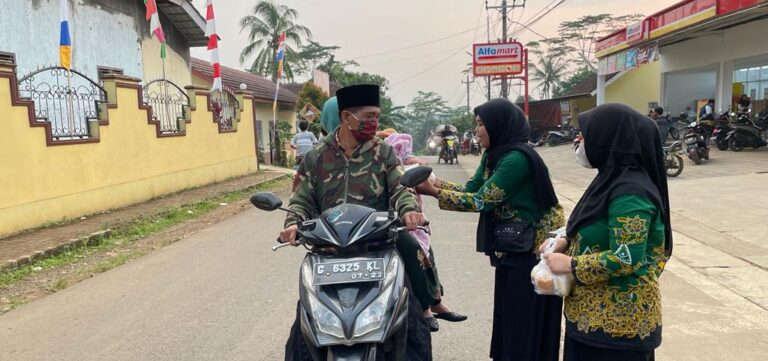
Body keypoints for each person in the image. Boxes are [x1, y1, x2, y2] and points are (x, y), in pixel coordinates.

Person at [279, 84, 432, 360]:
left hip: (377, 242)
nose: (375, 123)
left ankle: (430, 305)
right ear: (346, 117)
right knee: (303, 326)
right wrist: (293, 223)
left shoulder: (383, 153)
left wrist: (409, 210)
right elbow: (302, 199)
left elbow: (400, 188)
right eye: (369, 116)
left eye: (377, 116)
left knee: (413, 260)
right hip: (329, 247)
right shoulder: (316, 157)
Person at [416, 98, 565, 361]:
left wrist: (432, 192)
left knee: (523, 325)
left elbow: (481, 201)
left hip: (531, 253)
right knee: (510, 321)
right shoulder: (493, 156)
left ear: (499, 125)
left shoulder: (516, 160)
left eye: (481, 124)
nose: (477, 131)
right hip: (511, 250)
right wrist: (434, 180)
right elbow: (472, 189)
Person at [543, 103, 672, 361]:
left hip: (619, 329)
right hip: (590, 320)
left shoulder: (631, 194)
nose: (580, 143)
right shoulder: (609, 180)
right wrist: (565, 240)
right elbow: (592, 224)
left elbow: (626, 257)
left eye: (586, 136)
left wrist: (571, 264)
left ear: (608, 140)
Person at [385, 131, 468, 332]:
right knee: (414, 249)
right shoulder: (328, 158)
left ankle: (435, 302)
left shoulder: (402, 165)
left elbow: (429, 185)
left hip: (411, 221)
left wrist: (470, 193)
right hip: (381, 223)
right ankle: (424, 307)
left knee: (426, 252)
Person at [289, 121, 319, 192]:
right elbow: (316, 142)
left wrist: (297, 148)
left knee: (299, 171)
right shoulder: (310, 134)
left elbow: (291, 145)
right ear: (307, 127)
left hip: (299, 157)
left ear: (299, 127)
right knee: (312, 171)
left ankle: (295, 188)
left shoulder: (297, 136)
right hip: (309, 157)